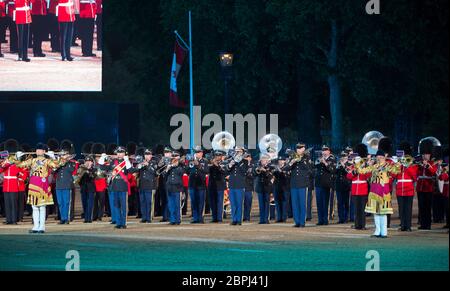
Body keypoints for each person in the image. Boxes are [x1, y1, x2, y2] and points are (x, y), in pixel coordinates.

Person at [15, 143, 60, 234]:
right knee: (34, 207)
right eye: (37, 149)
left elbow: (56, 166)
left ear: (44, 151)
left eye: (40, 149)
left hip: (42, 185)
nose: (38, 151)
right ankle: (35, 226)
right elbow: (20, 165)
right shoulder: (32, 160)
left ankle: (42, 227)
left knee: (42, 207)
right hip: (33, 185)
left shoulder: (47, 161)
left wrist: (53, 157)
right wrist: (17, 157)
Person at [365, 150, 400, 238]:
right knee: (376, 212)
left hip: (384, 191)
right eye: (378, 157)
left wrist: (397, 163)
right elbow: (363, 172)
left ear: (384, 157)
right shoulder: (374, 166)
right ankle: (377, 231)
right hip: (374, 190)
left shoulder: (388, 166)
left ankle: (384, 232)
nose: (379, 159)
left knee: (383, 213)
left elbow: (396, 172)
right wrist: (362, 164)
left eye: (381, 157)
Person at [99, 146, 132, 229]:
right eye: (118, 152)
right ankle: (118, 222)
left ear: (124, 153)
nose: (120, 154)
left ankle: (123, 223)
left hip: (123, 186)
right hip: (115, 186)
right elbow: (102, 167)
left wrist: (127, 160)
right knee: (116, 205)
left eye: (121, 152)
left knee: (123, 206)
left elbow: (130, 170)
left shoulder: (126, 162)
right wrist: (102, 158)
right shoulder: (113, 162)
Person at [283, 143, 313, 228]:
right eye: (298, 148)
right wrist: (292, 162)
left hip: (303, 183)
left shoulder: (307, 157)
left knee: (302, 203)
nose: (299, 150)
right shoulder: (292, 157)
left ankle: (302, 222)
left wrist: (301, 160)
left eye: (301, 148)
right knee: (295, 204)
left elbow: (309, 169)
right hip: (294, 184)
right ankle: (297, 221)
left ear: (304, 149)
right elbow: (285, 168)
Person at [393, 142, 419, 232]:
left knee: (408, 208)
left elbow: (414, 177)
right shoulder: (399, 164)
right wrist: (398, 165)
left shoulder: (413, 164)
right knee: (401, 209)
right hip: (400, 189)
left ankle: (408, 226)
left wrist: (408, 166)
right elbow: (394, 175)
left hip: (409, 189)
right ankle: (403, 225)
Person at [347, 144, 370, 230]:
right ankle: (357, 224)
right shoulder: (353, 165)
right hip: (354, 190)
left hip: (363, 189)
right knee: (356, 209)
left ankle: (362, 225)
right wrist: (354, 172)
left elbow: (367, 176)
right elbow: (348, 176)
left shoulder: (365, 165)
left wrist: (362, 168)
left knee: (362, 209)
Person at [53, 142, 78, 225]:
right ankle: (62, 218)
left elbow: (71, 170)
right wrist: (59, 162)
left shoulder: (71, 163)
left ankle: (66, 218)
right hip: (59, 185)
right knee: (60, 203)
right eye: (62, 154)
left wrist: (66, 161)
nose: (63, 156)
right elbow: (53, 170)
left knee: (67, 202)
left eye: (64, 154)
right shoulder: (57, 162)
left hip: (67, 185)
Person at [416, 139, 438, 230]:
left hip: (428, 188)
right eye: (424, 154)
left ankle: (427, 224)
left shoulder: (433, 163)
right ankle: (422, 224)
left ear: (430, 154)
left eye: (427, 154)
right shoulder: (419, 163)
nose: (425, 156)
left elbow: (434, 172)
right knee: (421, 207)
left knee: (428, 207)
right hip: (420, 188)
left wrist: (428, 166)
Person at [225, 146, 248, 226]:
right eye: (236, 151)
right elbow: (226, 171)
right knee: (233, 204)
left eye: (239, 151)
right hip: (232, 185)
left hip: (240, 185)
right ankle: (234, 219)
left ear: (242, 152)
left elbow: (244, 171)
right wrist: (230, 165)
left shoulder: (244, 161)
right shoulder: (231, 160)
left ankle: (238, 220)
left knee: (239, 203)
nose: (237, 152)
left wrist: (239, 161)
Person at [162, 151, 186, 225]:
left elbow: (182, 172)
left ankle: (178, 220)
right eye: (173, 157)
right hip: (169, 187)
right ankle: (172, 220)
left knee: (177, 205)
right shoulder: (169, 166)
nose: (174, 158)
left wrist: (176, 165)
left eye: (176, 157)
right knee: (170, 205)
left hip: (177, 188)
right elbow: (163, 175)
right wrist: (167, 168)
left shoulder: (180, 166)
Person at [0, 139, 21, 225]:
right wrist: (7, 161)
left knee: (13, 203)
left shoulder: (16, 162)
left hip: (13, 185)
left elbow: (18, 171)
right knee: (7, 204)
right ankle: (9, 219)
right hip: (6, 185)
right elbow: (1, 168)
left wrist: (14, 160)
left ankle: (14, 220)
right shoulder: (4, 161)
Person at [315, 145, 336, 226]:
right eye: (323, 150)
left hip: (326, 184)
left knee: (325, 202)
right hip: (318, 183)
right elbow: (315, 167)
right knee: (319, 202)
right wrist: (319, 161)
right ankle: (320, 220)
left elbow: (332, 170)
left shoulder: (332, 159)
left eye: (325, 150)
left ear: (329, 151)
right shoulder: (319, 158)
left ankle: (325, 219)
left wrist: (325, 162)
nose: (323, 152)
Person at [187, 146, 208, 224]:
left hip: (201, 184)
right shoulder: (191, 160)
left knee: (201, 202)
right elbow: (187, 171)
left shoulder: (204, 161)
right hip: (192, 184)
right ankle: (195, 218)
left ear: (201, 153)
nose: (196, 153)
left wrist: (198, 165)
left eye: (198, 152)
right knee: (194, 202)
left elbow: (206, 170)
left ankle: (200, 218)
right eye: (195, 152)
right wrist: (189, 163)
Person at [136, 148, 158, 223]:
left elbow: (155, 172)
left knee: (149, 202)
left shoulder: (153, 163)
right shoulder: (141, 162)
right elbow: (137, 171)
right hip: (142, 185)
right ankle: (144, 217)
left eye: (148, 154)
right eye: (145, 154)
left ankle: (149, 217)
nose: (146, 156)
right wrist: (139, 165)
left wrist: (148, 165)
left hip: (150, 185)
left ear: (151, 155)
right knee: (142, 202)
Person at [253, 153, 273, 224]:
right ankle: (261, 219)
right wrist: (258, 170)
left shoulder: (271, 167)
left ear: (268, 160)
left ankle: (266, 219)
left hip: (267, 187)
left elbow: (271, 176)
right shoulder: (258, 166)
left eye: (265, 159)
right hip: (260, 187)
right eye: (262, 159)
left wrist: (265, 171)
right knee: (261, 204)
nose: (263, 160)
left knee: (267, 203)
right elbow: (254, 174)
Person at [208, 151, 226, 223]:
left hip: (220, 186)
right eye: (216, 156)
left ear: (221, 156)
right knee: (212, 202)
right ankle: (214, 217)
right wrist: (212, 164)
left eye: (219, 156)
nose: (217, 157)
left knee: (219, 202)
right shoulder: (211, 164)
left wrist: (217, 166)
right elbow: (206, 170)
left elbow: (224, 172)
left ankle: (219, 218)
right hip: (212, 185)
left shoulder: (224, 163)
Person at [335, 151, 351, 224]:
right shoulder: (338, 164)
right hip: (339, 185)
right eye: (342, 156)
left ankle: (345, 218)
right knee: (339, 203)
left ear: (347, 157)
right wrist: (337, 166)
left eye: (344, 156)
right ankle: (340, 218)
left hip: (346, 185)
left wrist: (343, 165)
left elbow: (349, 173)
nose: (343, 158)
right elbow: (334, 172)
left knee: (345, 202)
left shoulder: (349, 164)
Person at [78, 156, 96, 223]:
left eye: (89, 161)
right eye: (86, 161)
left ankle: (89, 218)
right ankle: (86, 218)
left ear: (92, 162)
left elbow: (94, 177)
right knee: (84, 203)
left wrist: (88, 169)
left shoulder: (94, 169)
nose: (88, 162)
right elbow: (78, 178)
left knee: (90, 203)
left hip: (91, 189)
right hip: (83, 188)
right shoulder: (81, 169)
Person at [273, 156, 289, 223]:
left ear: (284, 161)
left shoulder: (287, 168)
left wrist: (281, 171)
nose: (280, 161)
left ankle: (284, 217)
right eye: (279, 160)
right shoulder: (275, 168)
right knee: (277, 202)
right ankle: (279, 217)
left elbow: (287, 177)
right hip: (277, 187)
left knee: (284, 203)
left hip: (285, 188)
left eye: (282, 160)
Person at [243, 153, 254, 222]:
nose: (247, 158)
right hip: (241, 186)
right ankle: (242, 216)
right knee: (241, 203)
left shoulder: (253, 166)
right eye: (245, 157)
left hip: (249, 187)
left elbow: (253, 176)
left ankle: (247, 217)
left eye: (248, 157)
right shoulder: (241, 166)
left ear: (250, 158)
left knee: (248, 202)